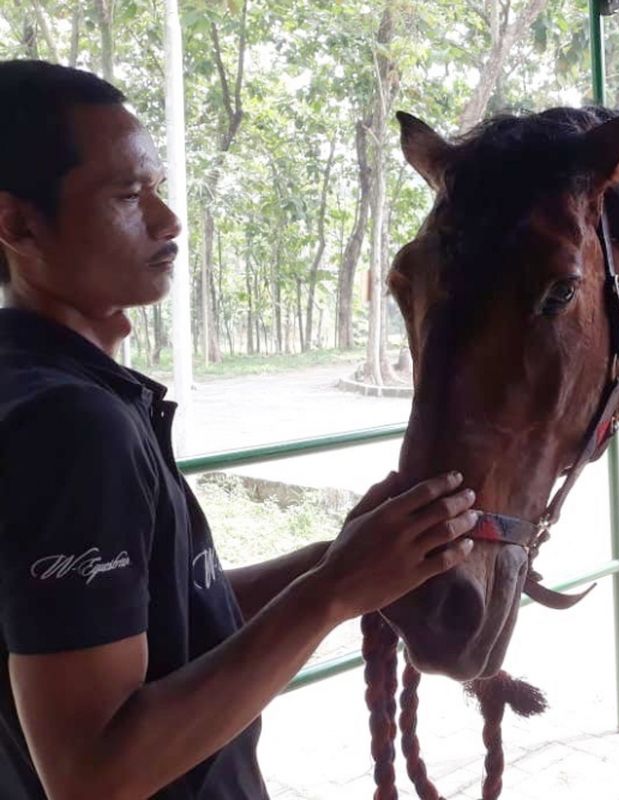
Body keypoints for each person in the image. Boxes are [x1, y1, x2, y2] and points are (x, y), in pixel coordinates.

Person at [0, 60, 478, 799]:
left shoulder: (41, 385)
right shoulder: (71, 427)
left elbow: (149, 624)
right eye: (128, 195)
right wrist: (331, 595)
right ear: (19, 224)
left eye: (156, 187)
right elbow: (91, 774)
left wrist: (334, 561)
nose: (167, 220)